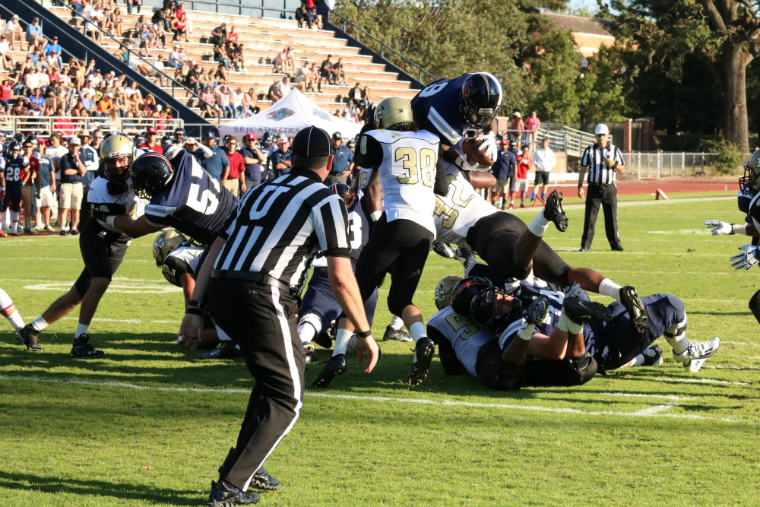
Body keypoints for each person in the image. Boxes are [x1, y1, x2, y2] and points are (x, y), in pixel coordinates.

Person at [178, 126, 378, 506]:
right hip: (263, 292)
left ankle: (247, 465)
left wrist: (194, 309)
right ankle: (230, 486)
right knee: (288, 396)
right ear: (329, 162)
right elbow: (340, 275)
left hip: (224, 290)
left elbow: (216, 248)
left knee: (274, 380)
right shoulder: (325, 198)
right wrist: (365, 332)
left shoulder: (259, 189)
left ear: (292, 159)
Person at [312, 97, 448, 388]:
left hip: (395, 220)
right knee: (400, 300)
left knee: (357, 293)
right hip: (425, 228)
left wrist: (369, 128)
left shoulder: (378, 137)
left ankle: (338, 355)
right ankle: (422, 339)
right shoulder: (430, 139)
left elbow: (360, 160)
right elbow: (442, 188)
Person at [16, 135, 138, 356]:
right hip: (98, 234)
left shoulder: (140, 174)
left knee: (79, 293)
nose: (118, 165)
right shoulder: (100, 186)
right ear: (104, 163)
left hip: (120, 240)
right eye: (112, 161)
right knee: (100, 281)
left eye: (122, 160)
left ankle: (31, 329)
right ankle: (80, 342)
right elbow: (132, 225)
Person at [410, 73, 501, 167]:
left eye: (486, 116)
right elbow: (441, 146)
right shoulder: (445, 113)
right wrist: (461, 162)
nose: (481, 120)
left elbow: (487, 109)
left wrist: (491, 135)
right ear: (464, 103)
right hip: (422, 116)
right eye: (477, 115)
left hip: (444, 91)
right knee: (455, 164)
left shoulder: (492, 85)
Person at [578, 124, 625, 252]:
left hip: (609, 188)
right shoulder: (589, 150)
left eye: (603, 135)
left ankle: (615, 244)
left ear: (608, 136)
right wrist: (580, 185)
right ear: (595, 136)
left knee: (612, 218)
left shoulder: (615, 150)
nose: (601, 138)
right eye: (599, 135)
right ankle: (585, 245)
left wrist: (613, 164)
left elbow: (622, 168)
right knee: (590, 219)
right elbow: (583, 168)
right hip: (594, 188)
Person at [2, 142, 28, 236]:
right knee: (3, 207)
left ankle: (14, 228)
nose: (15, 152)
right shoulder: (5, 160)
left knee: (16, 207)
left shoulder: (22, 160)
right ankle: (2, 226)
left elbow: (28, 172)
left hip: (16, 186)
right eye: (13, 150)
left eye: (17, 150)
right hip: (7, 186)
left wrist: (23, 182)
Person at [490, 139, 516, 210]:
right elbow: (491, 162)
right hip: (495, 175)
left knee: (505, 191)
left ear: (507, 145)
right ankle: (493, 205)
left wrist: (515, 174)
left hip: (505, 176)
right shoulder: (496, 153)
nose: (503, 146)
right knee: (494, 191)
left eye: (505, 145)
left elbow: (514, 165)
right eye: (502, 144)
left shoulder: (510, 155)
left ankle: (504, 205)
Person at [531, 137, 555, 204]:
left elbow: (553, 161)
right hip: (539, 170)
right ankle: (533, 197)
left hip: (547, 170)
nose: (544, 144)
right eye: (543, 142)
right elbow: (534, 160)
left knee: (545, 184)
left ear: (548, 143)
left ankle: (542, 197)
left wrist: (549, 167)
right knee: (537, 184)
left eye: (545, 143)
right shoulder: (537, 151)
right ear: (541, 143)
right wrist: (536, 164)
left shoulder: (550, 152)